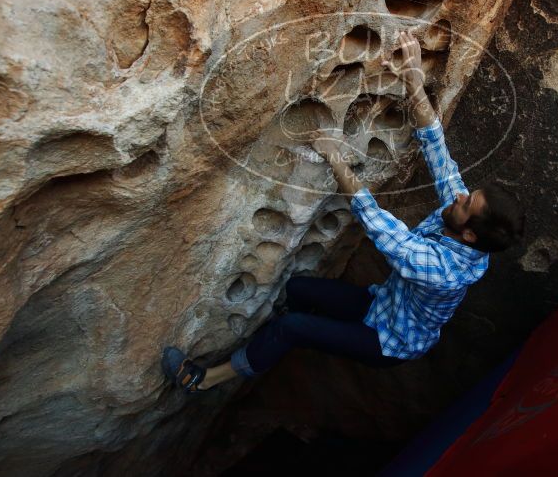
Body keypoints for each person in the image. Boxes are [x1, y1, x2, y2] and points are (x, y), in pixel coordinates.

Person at [161, 30, 524, 392]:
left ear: (470, 234)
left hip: (388, 340)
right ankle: (273, 345)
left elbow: (379, 225)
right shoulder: (467, 230)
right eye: (467, 195)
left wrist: (334, 154)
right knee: (298, 289)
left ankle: (204, 380)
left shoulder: (444, 272)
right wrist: (414, 80)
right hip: (383, 304)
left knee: (292, 328)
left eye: (466, 204)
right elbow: (438, 151)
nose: (458, 197)